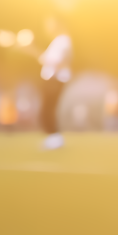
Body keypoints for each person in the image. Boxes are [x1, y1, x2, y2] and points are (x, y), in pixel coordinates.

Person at [37, 16, 73, 150]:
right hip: (52, 78)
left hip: (55, 79)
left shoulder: (63, 40)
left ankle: (54, 138)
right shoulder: (57, 41)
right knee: (46, 109)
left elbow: (59, 61)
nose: (47, 27)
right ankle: (53, 138)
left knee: (48, 110)